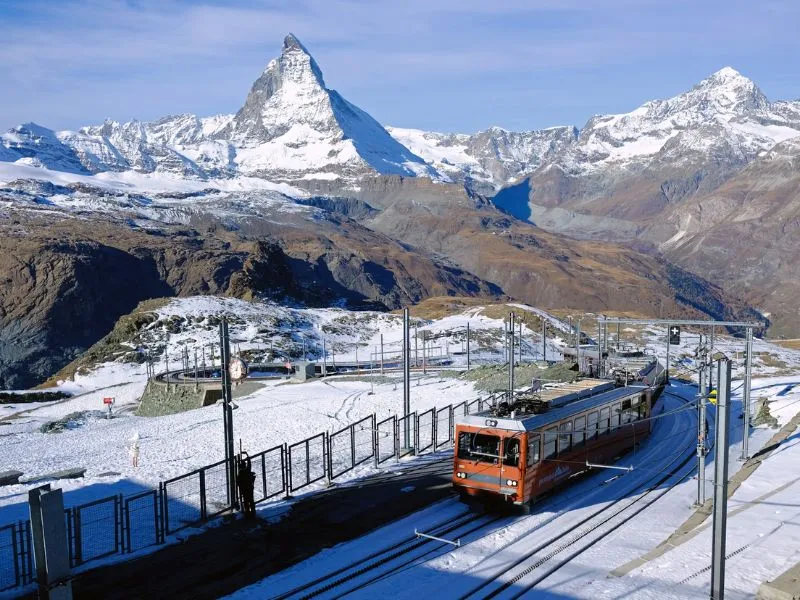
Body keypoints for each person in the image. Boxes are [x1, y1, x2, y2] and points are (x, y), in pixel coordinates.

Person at [237, 452, 256, 519]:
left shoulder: (240, 474)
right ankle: (253, 513)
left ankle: (247, 514)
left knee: (246, 502)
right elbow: (249, 464)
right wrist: (247, 456)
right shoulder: (248, 470)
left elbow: (238, 483)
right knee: (251, 501)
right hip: (250, 488)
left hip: (244, 490)